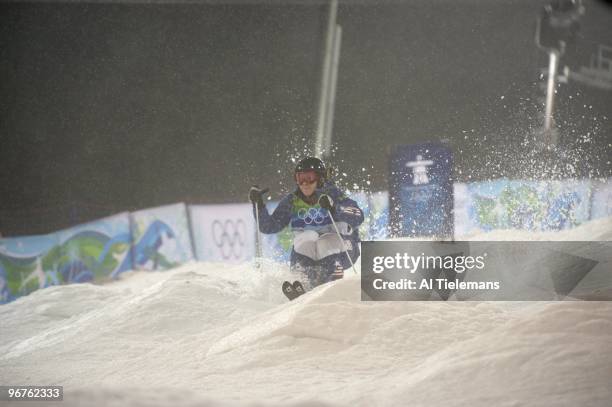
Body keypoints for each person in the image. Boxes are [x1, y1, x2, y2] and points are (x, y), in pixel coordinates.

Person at [249, 157, 364, 289]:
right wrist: (258, 205)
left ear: (320, 178)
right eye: (300, 178)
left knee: (325, 241)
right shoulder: (292, 201)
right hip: (311, 254)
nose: (304, 183)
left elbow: (358, 216)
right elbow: (268, 226)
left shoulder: (333, 194)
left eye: (309, 178)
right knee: (306, 237)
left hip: (344, 250)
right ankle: (303, 280)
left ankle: (331, 277)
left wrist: (334, 208)